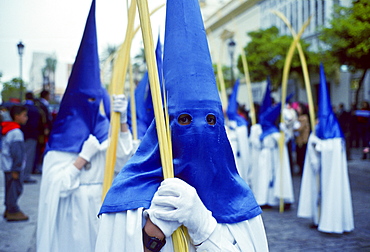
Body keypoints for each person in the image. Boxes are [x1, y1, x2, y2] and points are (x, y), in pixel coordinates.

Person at [96, 0, 269, 251]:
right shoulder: (128, 200)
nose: (198, 129)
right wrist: (151, 234)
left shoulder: (239, 202)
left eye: (211, 120)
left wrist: (202, 226)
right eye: (184, 119)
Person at [36, 2, 133, 251]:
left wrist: (121, 122)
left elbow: (124, 161)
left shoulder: (102, 133)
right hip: (71, 224)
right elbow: (55, 191)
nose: (91, 107)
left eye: (95, 101)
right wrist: (81, 159)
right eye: (86, 101)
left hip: (101, 219)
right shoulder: (59, 145)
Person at [297, 63, 354, 234]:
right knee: (320, 193)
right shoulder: (319, 131)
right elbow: (314, 151)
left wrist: (318, 145)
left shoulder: (335, 135)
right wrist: (315, 143)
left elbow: (331, 150)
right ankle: (319, 218)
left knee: (332, 193)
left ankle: (333, 223)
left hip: (331, 173)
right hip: (321, 172)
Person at [1, 105, 29, 221]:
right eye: (24, 115)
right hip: (13, 167)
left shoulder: (8, 129)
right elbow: (17, 153)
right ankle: (13, 210)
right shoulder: (16, 132)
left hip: (7, 166)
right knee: (15, 189)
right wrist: (16, 169)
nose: (26, 118)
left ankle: (9, 209)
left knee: (10, 189)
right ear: (16, 117)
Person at [21, 92, 44, 183]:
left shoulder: (22, 107)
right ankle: (25, 175)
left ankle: (21, 174)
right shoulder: (35, 109)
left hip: (22, 134)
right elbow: (36, 124)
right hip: (32, 135)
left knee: (21, 156)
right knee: (29, 156)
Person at [293, 102, 310, 175]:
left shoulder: (303, 118)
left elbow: (300, 128)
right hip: (299, 139)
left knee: (302, 155)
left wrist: (293, 128)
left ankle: (303, 170)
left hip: (303, 140)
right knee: (299, 155)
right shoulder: (298, 118)